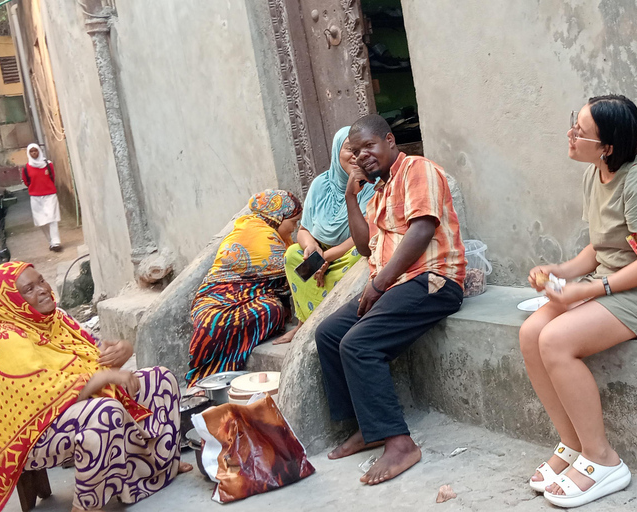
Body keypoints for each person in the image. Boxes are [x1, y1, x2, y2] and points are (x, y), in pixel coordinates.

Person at [520, 95, 637, 508]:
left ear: (606, 146)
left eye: (580, 131)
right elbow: (601, 244)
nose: (570, 135)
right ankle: (571, 444)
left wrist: (589, 289)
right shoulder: (597, 171)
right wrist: (562, 271)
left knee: (555, 340)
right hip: (611, 282)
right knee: (531, 331)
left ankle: (603, 459)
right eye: (575, 123)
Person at [0, 262, 190, 512]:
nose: (43, 290)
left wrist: (123, 349)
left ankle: (159, 466)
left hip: (71, 409)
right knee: (104, 412)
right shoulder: (3, 340)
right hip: (29, 436)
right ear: (10, 300)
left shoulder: (56, 319)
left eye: (42, 281)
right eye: (29, 289)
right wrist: (108, 378)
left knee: (159, 379)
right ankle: (87, 505)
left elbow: (97, 353)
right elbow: (45, 395)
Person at [315, 114, 466, 485]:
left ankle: (400, 444)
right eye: (354, 151)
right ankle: (371, 428)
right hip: (398, 283)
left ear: (390, 140)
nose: (362, 155)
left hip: (434, 280)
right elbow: (365, 246)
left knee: (359, 342)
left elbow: (422, 229)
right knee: (330, 333)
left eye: (369, 146)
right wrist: (353, 194)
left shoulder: (417, 169)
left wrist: (380, 283)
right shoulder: (377, 190)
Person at [186, 190, 303, 384]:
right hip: (215, 299)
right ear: (278, 217)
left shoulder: (279, 239)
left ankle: (222, 373)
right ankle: (204, 378)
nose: (295, 227)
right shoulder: (261, 238)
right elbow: (296, 275)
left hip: (254, 297)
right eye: (293, 221)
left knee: (271, 310)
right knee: (212, 323)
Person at [277, 126, 376, 344]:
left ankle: (332, 320)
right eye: (349, 149)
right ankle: (305, 322)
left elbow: (369, 233)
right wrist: (311, 247)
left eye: (360, 150)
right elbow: (303, 230)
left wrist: (328, 256)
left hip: (350, 251)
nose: (355, 156)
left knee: (362, 258)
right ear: (336, 152)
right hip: (321, 252)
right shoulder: (320, 184)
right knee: (293, 254)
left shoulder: (371, 185)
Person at [22, 143, 61, 251]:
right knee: (41, 221)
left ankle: (56, 242)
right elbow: (26, 181)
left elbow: (52, 177)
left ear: (39, 151)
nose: (34, 153)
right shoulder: (26, 168)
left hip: (50, 195)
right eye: (31, 151)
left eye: (36, 150)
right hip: (35, 197)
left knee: (52, 218)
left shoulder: (48, 165)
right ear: (28, 153)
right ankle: (50, 241)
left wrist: (47, 187)